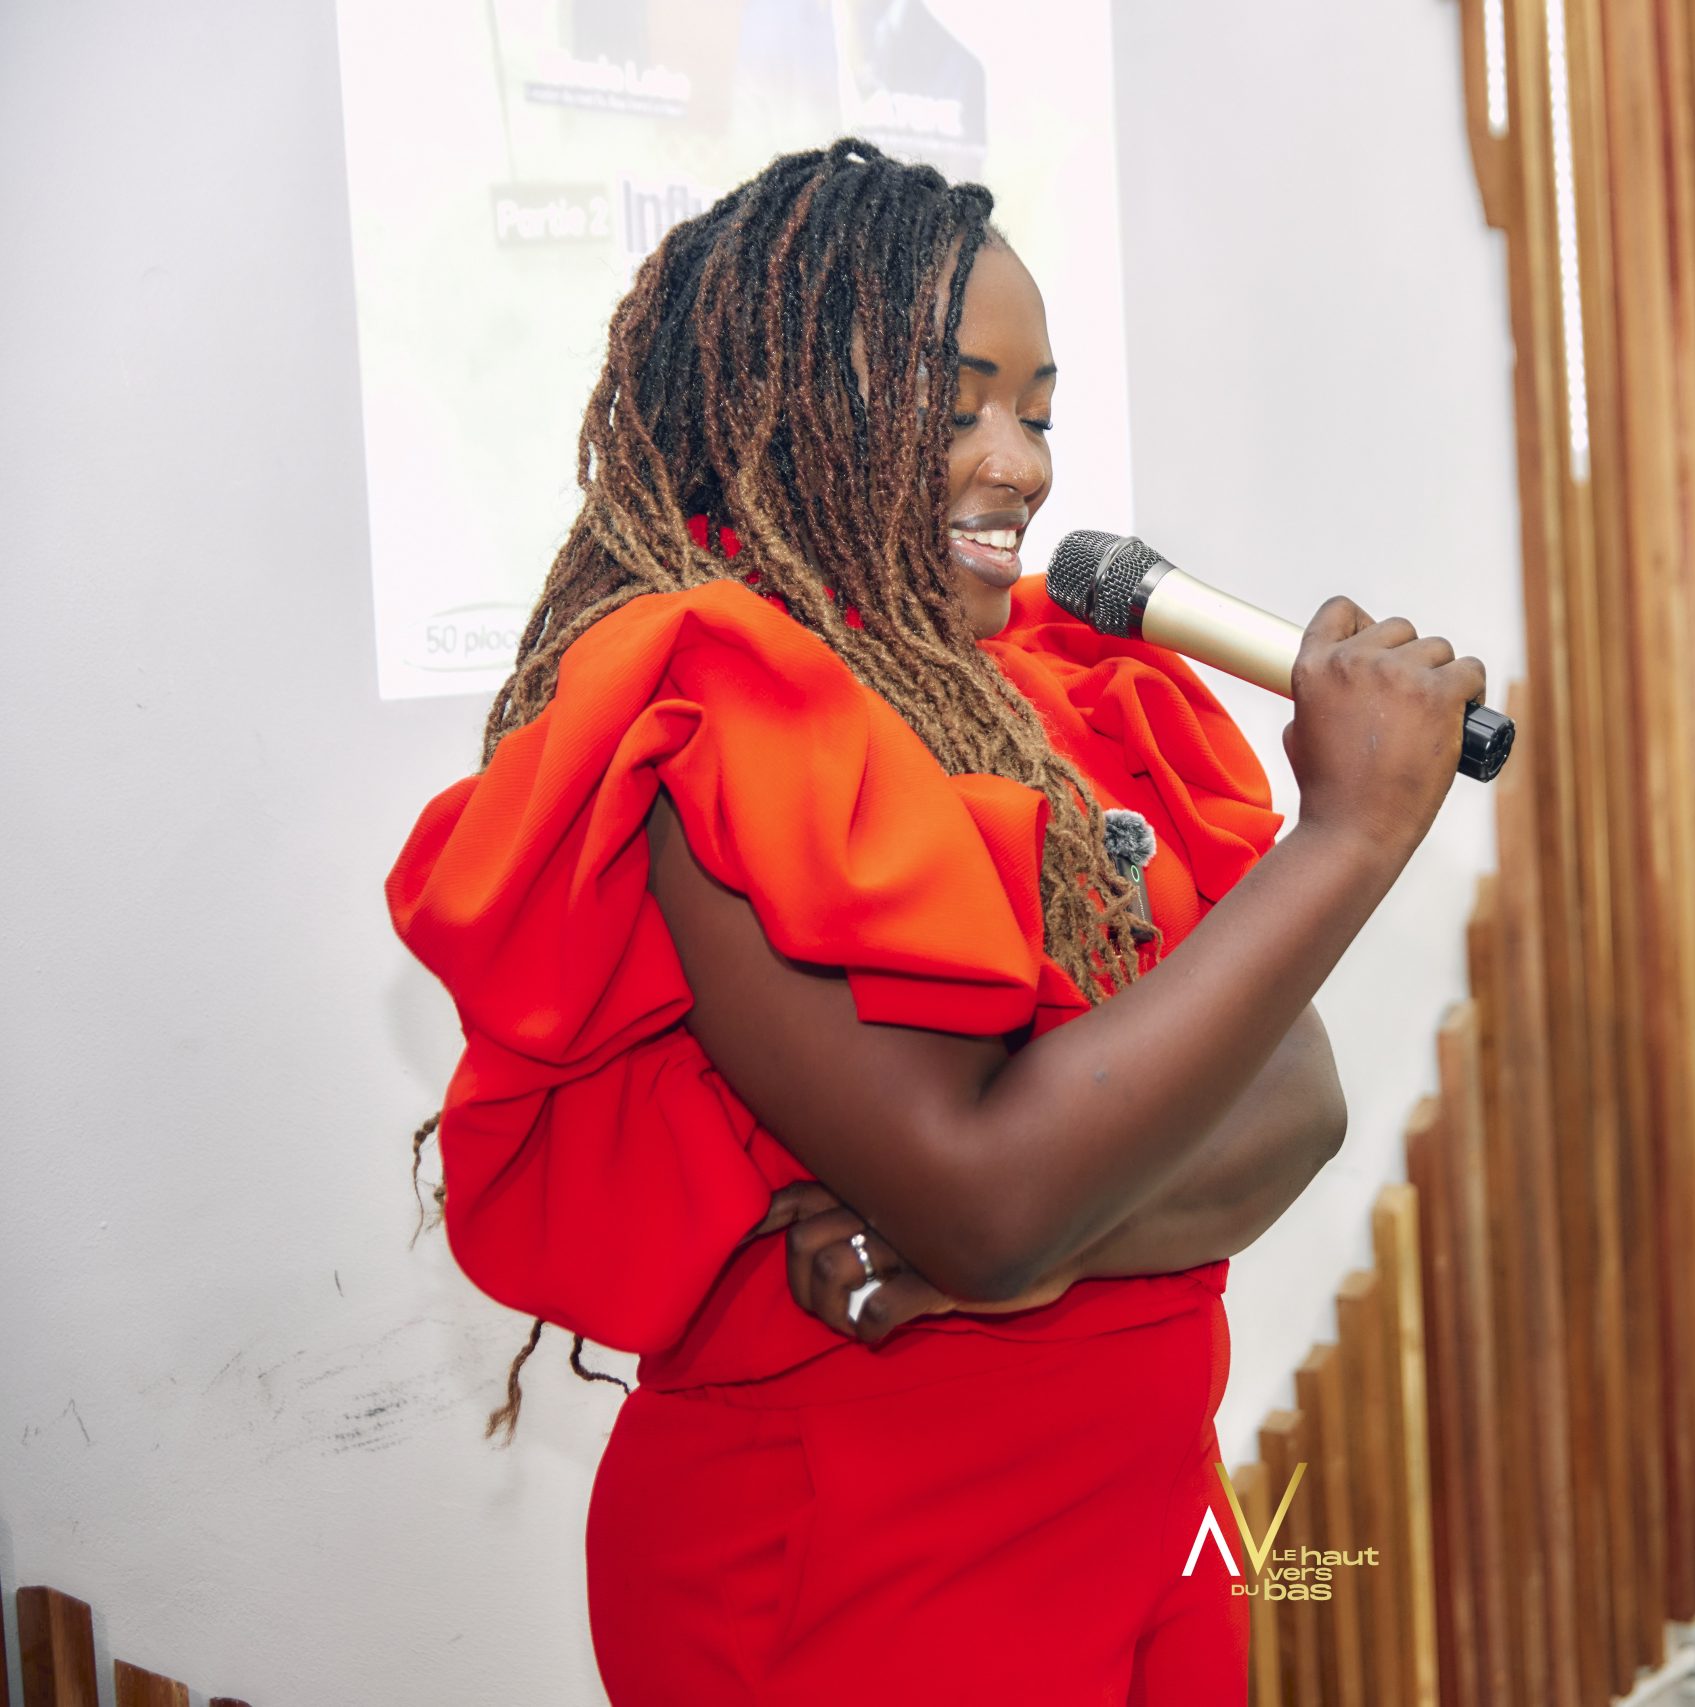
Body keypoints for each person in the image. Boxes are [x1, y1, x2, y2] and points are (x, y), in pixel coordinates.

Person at [385, 137, 1482, 1704]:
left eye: (1036, 412)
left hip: (1156, 1528)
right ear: (781, 408)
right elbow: (989, 1192)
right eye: (955, 404)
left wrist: (1005, 1263)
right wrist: (1350, 837)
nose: (1019, 463)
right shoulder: (716, 711)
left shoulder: (1063, 695)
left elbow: (1291, 1110)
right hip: (859, 1578)